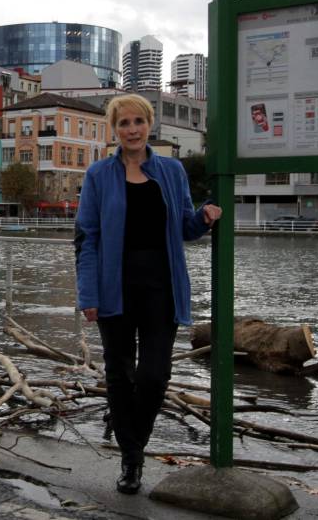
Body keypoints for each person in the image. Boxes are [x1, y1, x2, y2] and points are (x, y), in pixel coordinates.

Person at [74, 94, 222, 495]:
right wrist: (87, 294)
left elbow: (185, 228)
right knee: (120, 376)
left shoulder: (171, 171)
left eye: (139, 121)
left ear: (149, 125)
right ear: (114, 129)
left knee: (154, 376)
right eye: (124, 123)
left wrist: (205, 217)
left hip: (162, 289)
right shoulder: (99, 175)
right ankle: (132, 460)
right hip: (113, 290)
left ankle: (130, 441)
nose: (132, 129)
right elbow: (88, 238)